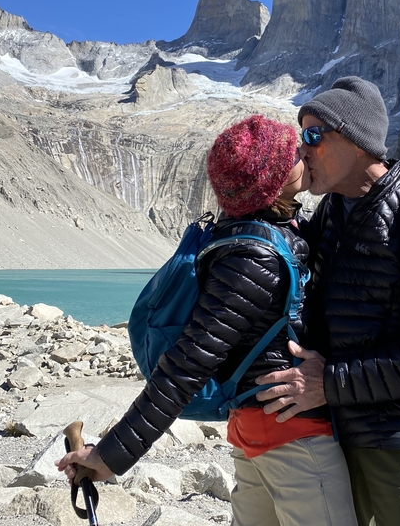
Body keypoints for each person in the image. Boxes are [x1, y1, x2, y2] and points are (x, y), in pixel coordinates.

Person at [56, 115, 357, 526]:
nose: (304, 154)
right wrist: (109, 455)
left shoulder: (255, 237)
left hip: (258, 436)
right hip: (293, 440)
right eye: (291, 156)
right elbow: (185, 367)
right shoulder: (254, 259)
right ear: (270, 184)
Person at [255, 76, 400, 526]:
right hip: (339, 437)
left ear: (356, 141)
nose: (302, 150)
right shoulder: (329, 219)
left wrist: (330, 384)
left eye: (313, 135)